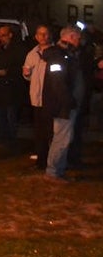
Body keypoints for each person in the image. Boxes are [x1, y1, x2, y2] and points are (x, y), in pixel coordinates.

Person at [41, 26, 85, 182]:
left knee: (64, 137)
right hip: (63, 107)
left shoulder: (66, 55)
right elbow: (58, 82)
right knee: (61, 138)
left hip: (67, 105)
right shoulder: (58, 56)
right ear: (71, 36)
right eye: (78, 38)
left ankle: (58, 169)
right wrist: (68, 101)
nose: (79, 41)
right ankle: (53, 172)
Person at [0, 24, 26, 154]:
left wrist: (8, 72)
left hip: (11, 90)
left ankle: (11, 141)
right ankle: (1, 138)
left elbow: (20, 67)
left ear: (10, 35)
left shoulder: (17, 50)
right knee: (0, 117)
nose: (1, 38)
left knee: (10, 117)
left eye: (3, 35)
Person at [22, 24, 54, 169]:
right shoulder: (32, 53)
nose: (43, 37)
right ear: (35, 37)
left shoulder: (55, 52)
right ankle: (41, 160)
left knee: (51, 132)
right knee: (39, 132)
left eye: (45, 34)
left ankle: (52, 161)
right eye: (40, 34)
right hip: (36, 98)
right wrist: (26, 74)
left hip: (50, 99)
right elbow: (27, 74)